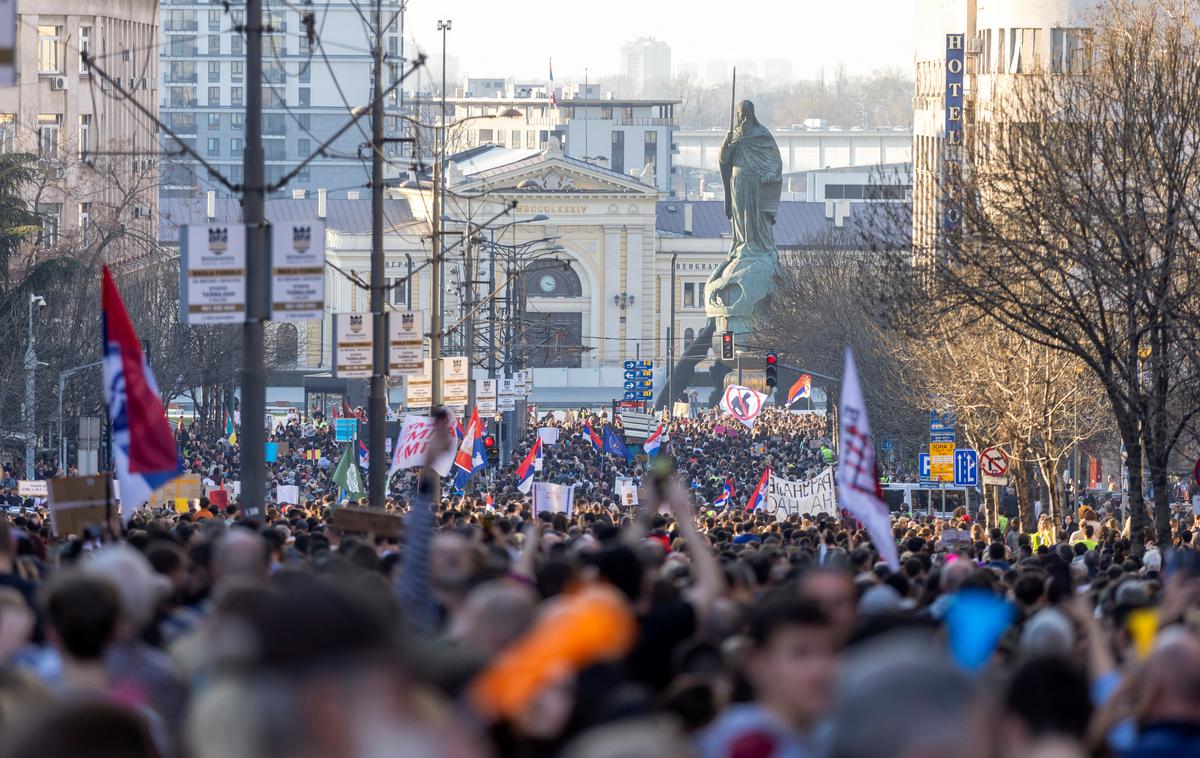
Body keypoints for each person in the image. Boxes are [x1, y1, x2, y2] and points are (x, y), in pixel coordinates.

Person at [698, 596, 837, 758]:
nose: (821, 668)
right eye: (801, 653)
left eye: (831, 651)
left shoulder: (826, 734)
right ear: (758, 664)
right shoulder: (749, 746)